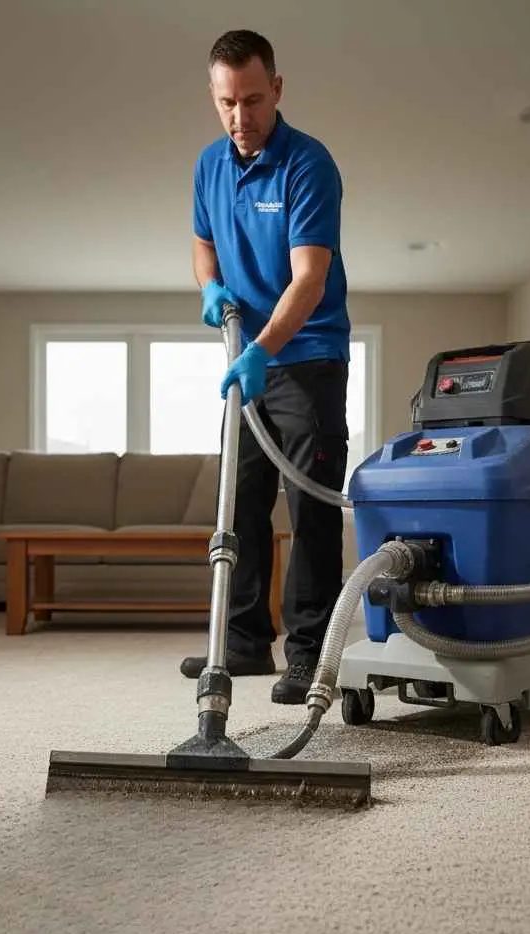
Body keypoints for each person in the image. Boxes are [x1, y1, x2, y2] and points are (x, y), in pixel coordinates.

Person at [179, 29, 351, 705]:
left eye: (252, 100)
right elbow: (202, 243)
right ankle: (244, 642)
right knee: (240, 501)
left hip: (307, 358)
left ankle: (308, 656)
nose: (240, 116)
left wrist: (262, 349)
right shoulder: (208, 165)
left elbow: (309, 279)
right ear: (213, 96)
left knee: (310, 509)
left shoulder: (308, 164)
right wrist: (209, 287)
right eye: (227, 102)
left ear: (276, 89)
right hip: (246, 361)